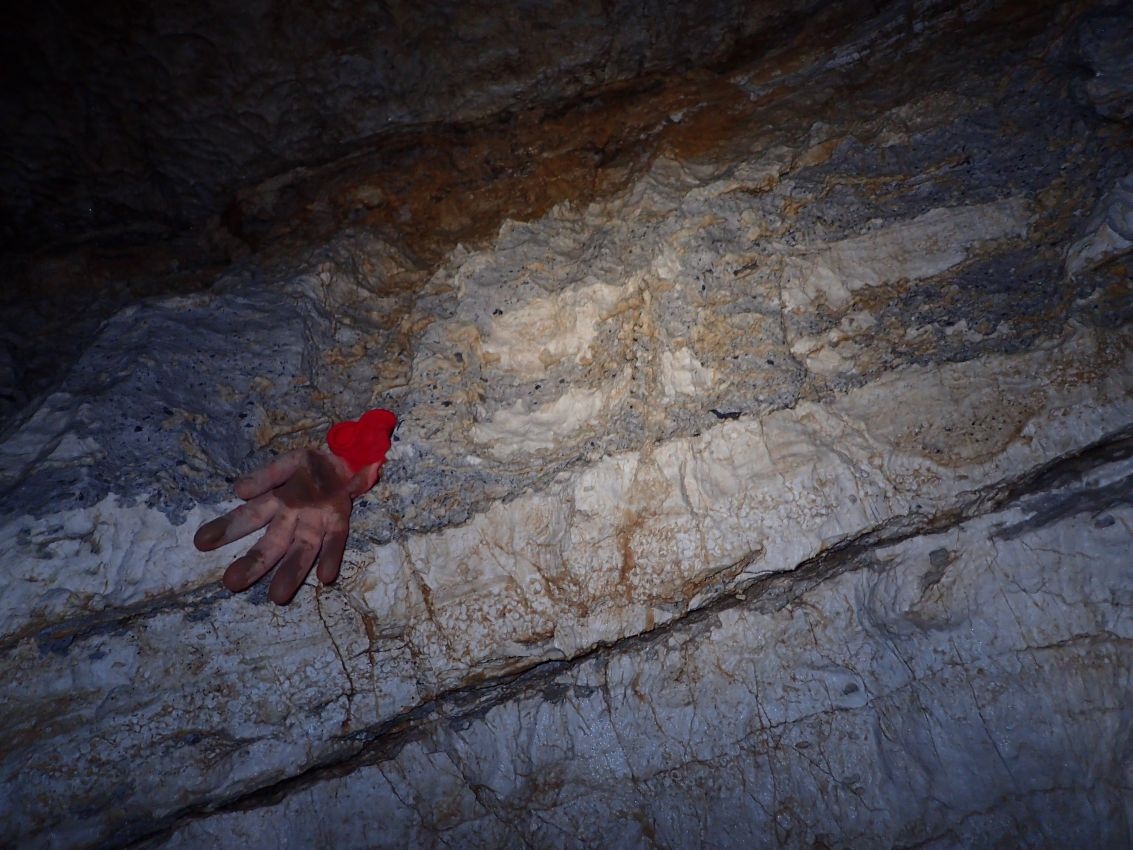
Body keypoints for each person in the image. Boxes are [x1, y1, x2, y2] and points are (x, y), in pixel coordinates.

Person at [194, 409, 397, 605]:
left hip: (331, 498)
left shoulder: (337, 479)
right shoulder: (314, 460)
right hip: (315, 491)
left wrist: (349, 485)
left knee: (288, 571)